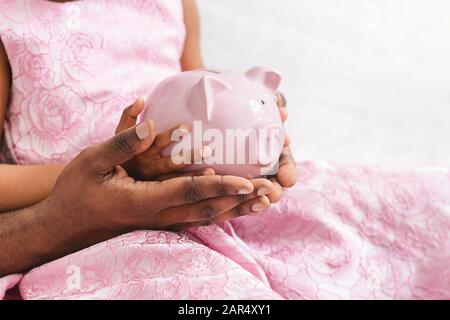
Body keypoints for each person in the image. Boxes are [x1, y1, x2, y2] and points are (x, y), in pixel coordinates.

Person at [0, 0, 297, 276]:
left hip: (205, 211)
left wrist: (250, 126)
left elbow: (201, 97)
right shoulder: (10, 24)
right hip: (98, 241)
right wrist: (127, 171)